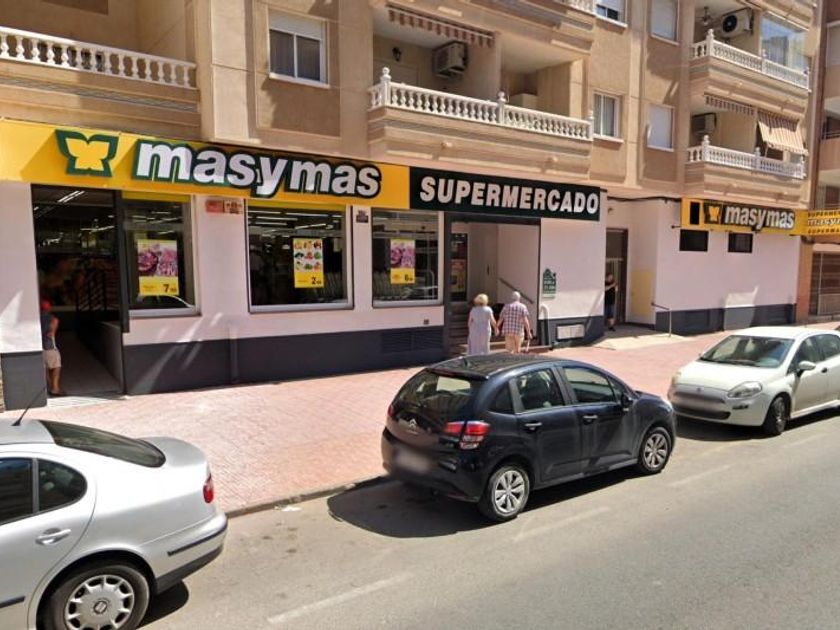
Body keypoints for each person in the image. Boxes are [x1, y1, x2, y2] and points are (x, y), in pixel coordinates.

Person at [40, 299, 64, 396]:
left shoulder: (36, 319)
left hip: (39, 346)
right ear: (49, 308)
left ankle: (50, 388)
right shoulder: (53, 319)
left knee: (45, 368)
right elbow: (51, 333)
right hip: (49, 346)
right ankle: (55, 388)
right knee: (56, 367)